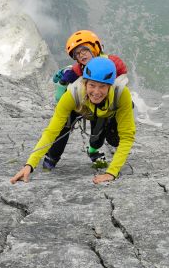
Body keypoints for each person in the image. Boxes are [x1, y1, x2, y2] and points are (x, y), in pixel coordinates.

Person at [13, 57, 136, 185]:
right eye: (92, 85)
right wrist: (30, 165)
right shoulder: (72, 94)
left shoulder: (121, 94)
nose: (96, 91)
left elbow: (127, 137)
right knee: (61, 131)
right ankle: (51, 158)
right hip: (81, 107)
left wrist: (111, 173)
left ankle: (95, 145)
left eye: (102, 86)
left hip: (105, 112)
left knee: (112, 140)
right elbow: (51, 132)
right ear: (85, 83)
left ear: (110, 86)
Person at [47, 30, 129, 169]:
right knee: (64, 124)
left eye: (84, 50)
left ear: (95, 48)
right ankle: (51, 158)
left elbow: (120, 81)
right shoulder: (79, 68)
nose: (81, 55)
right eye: (77, 54)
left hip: (101, 103)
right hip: (83, 103)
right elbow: (68, 78)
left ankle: (93, 149)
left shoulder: (112, 62)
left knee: (107, 135)